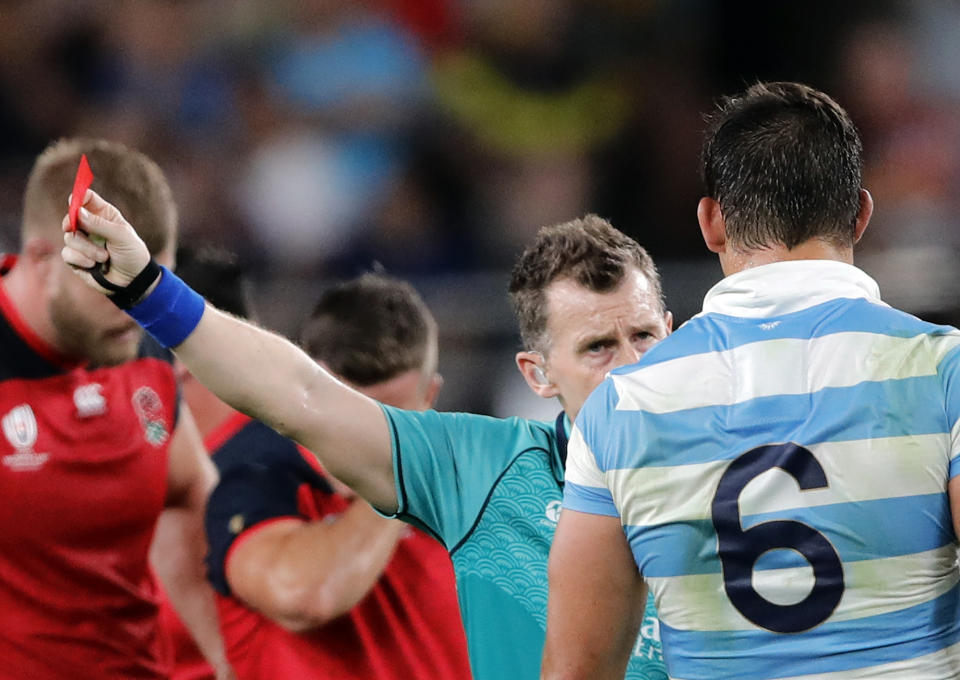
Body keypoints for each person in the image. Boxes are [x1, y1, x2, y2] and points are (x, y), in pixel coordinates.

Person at [61, 203, 671, 678]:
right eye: (597, 348)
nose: (630, 367)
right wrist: (147, 289)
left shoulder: (746, 466)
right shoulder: (482, 469)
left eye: (645, 336)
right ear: (537, 374)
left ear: (673, 331)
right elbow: (298, 392)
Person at [542, 81, 960, 679]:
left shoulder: (620, 407)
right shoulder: (943, 372)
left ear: (710, 222)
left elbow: (576, 670)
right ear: (862, 215)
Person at [175, 249, 472, 679]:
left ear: (430, 398)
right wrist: (398, 466)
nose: (371, 438)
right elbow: (307, 595)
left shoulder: (473, 489)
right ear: (311, 391)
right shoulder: (249, 480)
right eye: (356, 414)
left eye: (394, 418)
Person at [0, 138, 232, 679]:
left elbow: (191, 494)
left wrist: (229, 662)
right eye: (111, 287)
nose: (136, 308)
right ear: (41, 259)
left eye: (151, 284)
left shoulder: (139, 345)